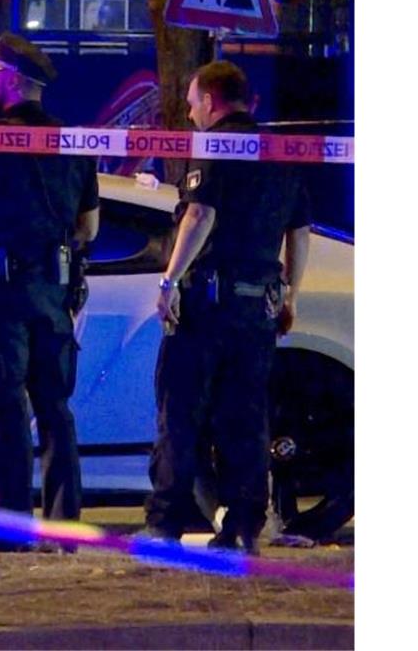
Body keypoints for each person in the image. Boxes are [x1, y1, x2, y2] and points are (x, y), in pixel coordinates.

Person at [142, 60, 311, 556]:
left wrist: (170, 281)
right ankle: (239, 529)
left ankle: (164, 525)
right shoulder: (279, 154)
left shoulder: (213, 148)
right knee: (245, 421)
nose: (191, 113)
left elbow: (199, 213)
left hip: (206, 307)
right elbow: (298, 233)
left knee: (181, 415)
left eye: (193, 102)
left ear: (212, 102)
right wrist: (291, 296)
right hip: (256, 309)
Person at [0, 32, 100, 552]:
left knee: (7, 412)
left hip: (1, 296)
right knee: (55, 410)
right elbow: (89, 229)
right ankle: (63, 528)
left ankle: (11, 531)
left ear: (11, 80)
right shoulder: (73, 146)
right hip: (52, 296)